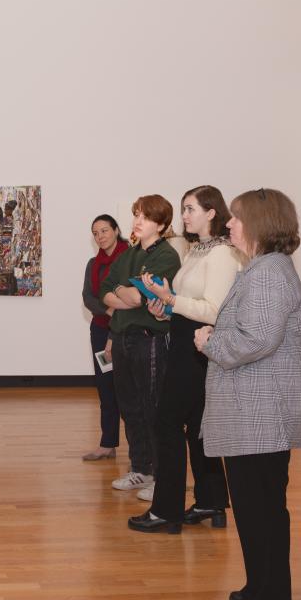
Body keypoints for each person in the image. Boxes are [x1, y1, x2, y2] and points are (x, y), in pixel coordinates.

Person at [196, 188, 301, 600]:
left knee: (260, 511)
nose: (229, 223)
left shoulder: (267, 272)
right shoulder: (267, 268)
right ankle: (262, 590)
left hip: (261, 414)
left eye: (237, 217)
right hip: (257, 413)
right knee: (257, 510)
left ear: (261, 223)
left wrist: (212, 342)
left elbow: (257, 339)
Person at [128, 185, 243, 532]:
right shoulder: (197, 250)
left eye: (191, 209)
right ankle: (210, 501)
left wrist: (171, 300)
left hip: (198, 350)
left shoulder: (221, 254)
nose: (185, 216)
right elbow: (186, 303)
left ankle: (166, 510)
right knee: (196, 427)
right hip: (183, 341)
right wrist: (164, 308)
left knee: (167, 423)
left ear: (212, 212)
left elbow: (214, 310)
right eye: (184, 209)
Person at [99, 195, 181, 492]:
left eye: (144, 217)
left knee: (152, 407)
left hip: (149, 341)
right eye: (136, 214)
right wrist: (126, 291)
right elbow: (104, 292)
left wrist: (126, 294)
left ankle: (162, 476)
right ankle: (140, 469)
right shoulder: (129, 254)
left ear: (160, 224)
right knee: (129, 406)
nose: (137, 221)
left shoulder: (166, 256)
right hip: (122, 338)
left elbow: (139, 298)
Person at [81, 214, 129, 461]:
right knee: (106, 388)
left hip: (125, 332)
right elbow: (88, 297)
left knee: (129, 390)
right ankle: (107, 444)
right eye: (96, 233)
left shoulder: (129, 258)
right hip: (100, 331)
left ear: (116, 230)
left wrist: (115, 315)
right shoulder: (93, 263)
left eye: (104, 231)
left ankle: (140, 452)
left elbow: (129, 299)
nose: (100, 236)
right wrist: (108, 309)